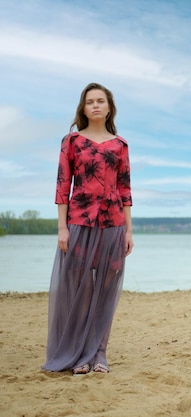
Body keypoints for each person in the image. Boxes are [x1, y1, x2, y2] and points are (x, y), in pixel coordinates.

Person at [42, 82, 134, 375]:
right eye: (90, 101)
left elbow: (125, 190)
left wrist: (129, 231)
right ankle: (80, 354)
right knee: (80, 289)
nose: (95, 105)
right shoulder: (71, 142)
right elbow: (62, 186)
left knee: (106, 289)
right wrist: (62, 228)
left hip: (113, 224)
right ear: (83, 108)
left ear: (109, 108)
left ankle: (100, 354)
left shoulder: (120, 146)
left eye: (100, 101)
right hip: (78, 223)